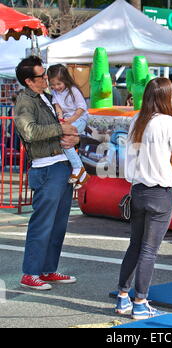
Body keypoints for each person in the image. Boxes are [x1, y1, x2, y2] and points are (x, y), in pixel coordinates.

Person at [115, 77, 172, 319]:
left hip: (137, 190)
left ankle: (123, 297)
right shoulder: (168, 122)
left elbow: (128, 156)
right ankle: (140, 302)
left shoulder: (137, 118)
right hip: (160, 191)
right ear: (166, 97)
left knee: (135, 245)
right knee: (149, 250)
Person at [14, 56, 79, 290]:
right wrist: (60, 129)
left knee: (59, 224)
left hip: (61, 164)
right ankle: (30, 272)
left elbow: (61, 130)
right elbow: (29, 132)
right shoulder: (25, 101)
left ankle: (48, 269)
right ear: (29, 81)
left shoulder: (47, 98)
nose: (47, 79)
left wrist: (73, 137)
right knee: (42, 224)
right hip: (46, 167)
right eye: (42, 76)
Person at [47, 64, 90, 189]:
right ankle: (81, 171)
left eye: (59, 84)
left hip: (79, 119)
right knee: (64, 141)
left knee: (64, 139)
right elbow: (58, 107)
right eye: (53, 85)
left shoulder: (74, 90)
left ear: (65, 80)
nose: (56, 87)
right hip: (68, 121)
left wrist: (69, 121)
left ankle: (78, 168)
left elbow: (81, 108)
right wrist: (61, 119)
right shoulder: (55, 92)